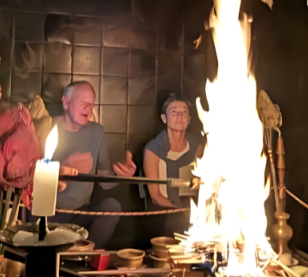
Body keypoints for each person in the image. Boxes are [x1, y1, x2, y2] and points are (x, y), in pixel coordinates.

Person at [48, 81, 136, 248]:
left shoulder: (97, 132)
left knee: (112, 206)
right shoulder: (46, 126)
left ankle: (89, 255)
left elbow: (104, 180)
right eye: (83, 103)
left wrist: (122, 176)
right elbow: (30, 176)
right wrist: (61, 167)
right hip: (50, 212)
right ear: (66, 102)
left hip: (81, 211)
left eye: (91, 104)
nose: (88, 109)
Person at [143, 95, 204, 233]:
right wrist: (180, 212)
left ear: (189, 120)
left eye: (184, 112)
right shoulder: (152, 149)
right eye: (174, 112)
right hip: (162, 211)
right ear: (164, 118)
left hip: (191, 208)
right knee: (174, 222)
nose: (179, 116)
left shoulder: (197, 146)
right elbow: (156, 196)